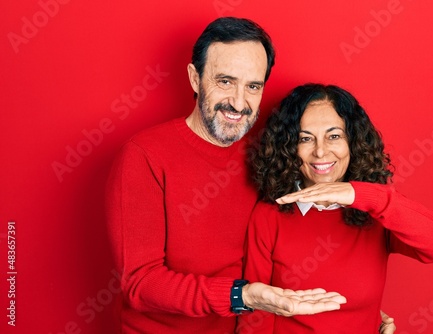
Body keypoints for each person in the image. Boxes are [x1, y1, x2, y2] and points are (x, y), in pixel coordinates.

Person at [105, 18, 348, 334]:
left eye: (252, 86)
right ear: (195, 78)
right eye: (225, 81)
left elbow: (297, 246)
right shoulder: (143, 155)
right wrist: (240, 296)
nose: (238, 102)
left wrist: (358, 310)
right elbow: (141, 282)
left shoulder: (266, 153)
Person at [236, 83, 433, 333]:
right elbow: (255, 317)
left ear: (352, 143)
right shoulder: (269, 215)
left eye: (334, 136)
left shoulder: (377, 210)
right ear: (289, 148)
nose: (320, 151)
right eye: (305, 138)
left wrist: (361, 195)